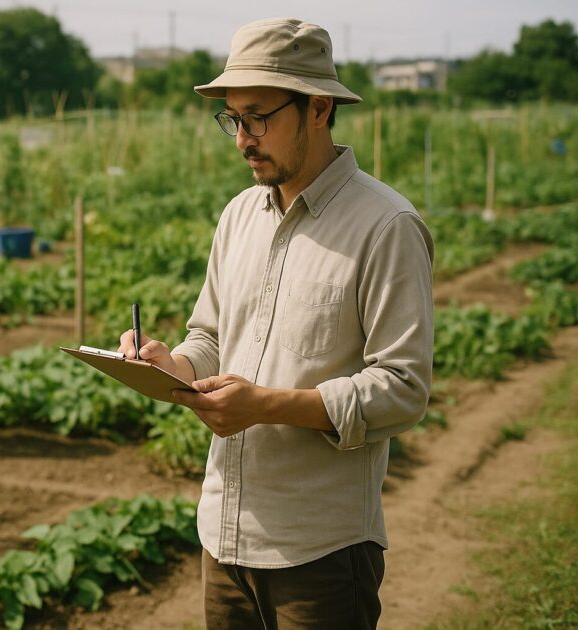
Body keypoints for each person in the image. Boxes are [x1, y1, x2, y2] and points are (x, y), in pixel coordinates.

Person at [118, 18, 434, 629]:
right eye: (233, 118)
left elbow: (402, 390)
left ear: (318, 108)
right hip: (224, 535)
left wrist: (266, 406)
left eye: (258, 117)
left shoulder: (385, 226)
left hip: (319, 549)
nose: (242, 139)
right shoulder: (239, 215)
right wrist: (173, 366)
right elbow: (210, 336)